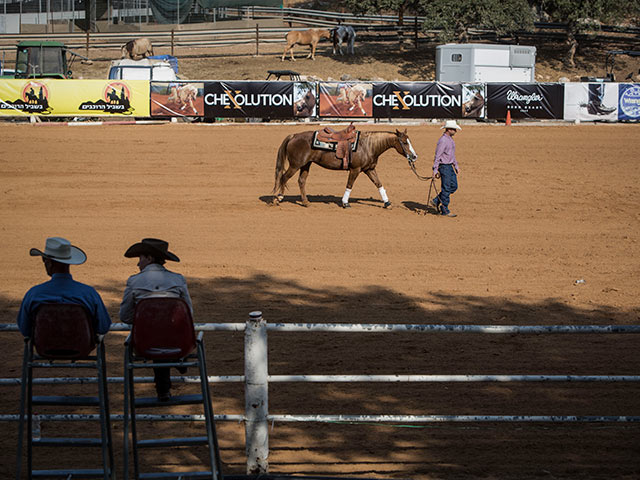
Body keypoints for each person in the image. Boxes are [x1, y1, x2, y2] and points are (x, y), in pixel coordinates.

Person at [119, 238, 193, 401]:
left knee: (155, 335)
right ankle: (173, 364)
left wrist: (144, 320)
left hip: (145, 341)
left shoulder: (134, 281)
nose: (138, 264)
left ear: (149, 258)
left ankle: (163, 389)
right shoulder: (178, 279)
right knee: (164, 333)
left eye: (140, 258)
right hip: (178, 340)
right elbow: (189, 314)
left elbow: (125, 316)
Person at [17, 237, 111, 337]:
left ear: (48, 262)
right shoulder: (89, 294)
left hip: (45, 349)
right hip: (80, 349)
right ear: (69, 262)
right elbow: (103, 327)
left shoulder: (34, 294)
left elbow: (25, 329)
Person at [432, 120, 462, 218]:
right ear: (449, 129)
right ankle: (444, 209)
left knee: (453, 186)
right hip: (444, 166)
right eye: (454, 129)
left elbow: (451, 155)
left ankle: (437, 200)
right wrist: (435, 169)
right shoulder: (443, 141)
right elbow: (438, 156)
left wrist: (456, 165)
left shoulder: (449, 140)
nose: (455, 131)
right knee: (447, 188)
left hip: (449, 166)